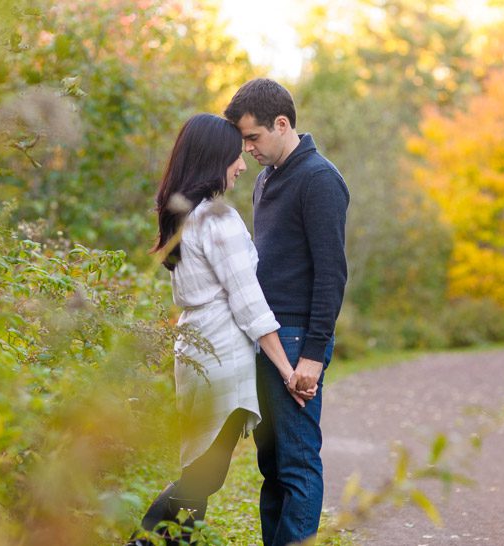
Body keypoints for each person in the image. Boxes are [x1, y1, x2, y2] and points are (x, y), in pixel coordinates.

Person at [129, 113, 315, 545]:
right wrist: (288, 370)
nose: (243, 164)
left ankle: (152, 542)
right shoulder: (216, 218)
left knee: (199, 474)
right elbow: (248, 303)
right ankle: (145, 543)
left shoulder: (183, 215)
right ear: (215, 159)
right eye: (235, 155)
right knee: (201, 479)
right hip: (220, 358)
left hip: (194, 350)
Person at [224, 79, 349, 546]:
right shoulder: (266, 179)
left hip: (297, 339)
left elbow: (332, 273)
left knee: (296, 462)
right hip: (268, 337)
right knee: (271, 463)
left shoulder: (319, 179)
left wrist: (313, 355)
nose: (249, 149)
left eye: (253, 137)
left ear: (282, 124)